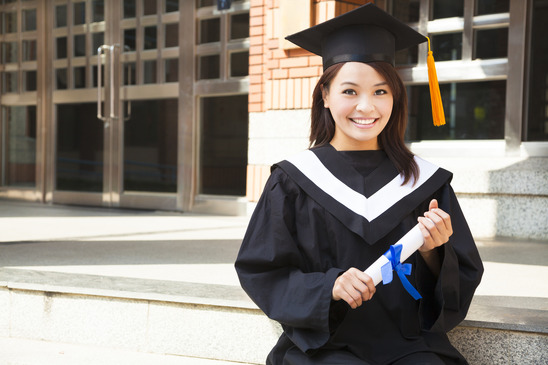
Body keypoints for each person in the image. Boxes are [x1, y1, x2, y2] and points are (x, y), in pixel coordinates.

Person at [235, 4, 483, 364]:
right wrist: (327, 287)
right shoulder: (293, 180)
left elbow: (460, 278)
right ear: (325, 95)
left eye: (381, 92)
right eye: (350, 91)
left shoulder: (424, 181)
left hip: (409, 342)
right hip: (326, 345)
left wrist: (434, 251)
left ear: (395, 97)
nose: (366, 107)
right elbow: (263, 270)